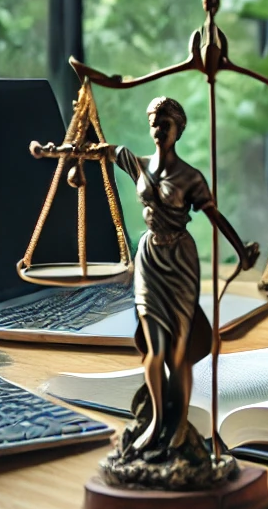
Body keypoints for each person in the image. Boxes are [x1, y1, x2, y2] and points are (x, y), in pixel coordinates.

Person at [109, 97, 258, 452]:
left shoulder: (191, 177)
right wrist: (64, 150)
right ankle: (156, 422)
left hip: (180, 259)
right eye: (154, 122)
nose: (158, 129)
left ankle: (177, 426)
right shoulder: (137, 163)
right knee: (154, 350)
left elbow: (215, 217)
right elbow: (103, 150)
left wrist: (240, 250)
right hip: (149, 257)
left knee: (179, 351)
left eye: (165, 123)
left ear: (178, 128)